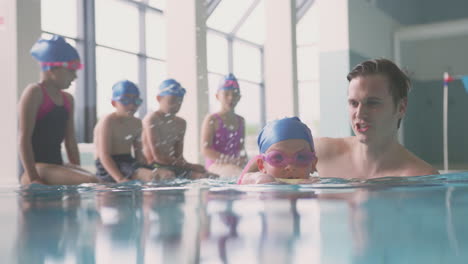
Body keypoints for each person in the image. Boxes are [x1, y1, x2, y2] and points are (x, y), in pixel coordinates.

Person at [315, 58, 439, 178]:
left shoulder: (420, 177)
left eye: (372, 103)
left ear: (401, 107)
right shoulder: (321, 153)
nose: (359, 113)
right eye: (354, 103)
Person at [18, 35, 97, 185]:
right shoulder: (34, 92)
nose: (75, 76)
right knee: (90, 181)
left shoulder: (68, 99)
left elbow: (70, 141)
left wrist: (76, 169)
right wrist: (34, 178)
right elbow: (24, 138)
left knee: (99, 183)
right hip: (37, 168)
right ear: (52, 68)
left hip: (55, 167)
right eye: (71, 70)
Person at [93, 80, 175, 183]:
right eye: (125, 101)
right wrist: (120, 179)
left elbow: (139, 156)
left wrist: (152, 168)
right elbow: (104, 156)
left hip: (128, 161)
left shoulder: (137, 123)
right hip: (108, 164)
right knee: (151, 177)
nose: (132, 106)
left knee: (167, 175)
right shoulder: (108, 121)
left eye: (136, 102)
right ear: (114, 103)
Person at [142, 78, 212, 179]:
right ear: (159, 98)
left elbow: (179, 157)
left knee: (209, 176)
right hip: (153, 166)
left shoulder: (181, 123)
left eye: (179, 102)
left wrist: (192, 168)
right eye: (171, 101)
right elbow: (157, 157)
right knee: (169, 175)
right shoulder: (151, 119)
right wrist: (191, 166)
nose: (176, 105)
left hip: (171, 166)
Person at [237, 117, 318, 184]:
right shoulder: (258, 178)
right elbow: (254, 179)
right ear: (262, 166)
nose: (290, 167)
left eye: (301, 158)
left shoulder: (315, 183)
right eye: (278, 158)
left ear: (313, 164)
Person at [200, 73, 247, 178]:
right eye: (226, 94)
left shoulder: (241, 121)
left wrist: (244, 160)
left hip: (234, 165)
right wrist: (229, 160)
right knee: (239, 174)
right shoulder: (212, 119)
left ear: (239, 97)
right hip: (215, 165)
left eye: (235, 94)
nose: (231, 98)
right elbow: (205, 150)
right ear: (217, 96)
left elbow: (241, 148)